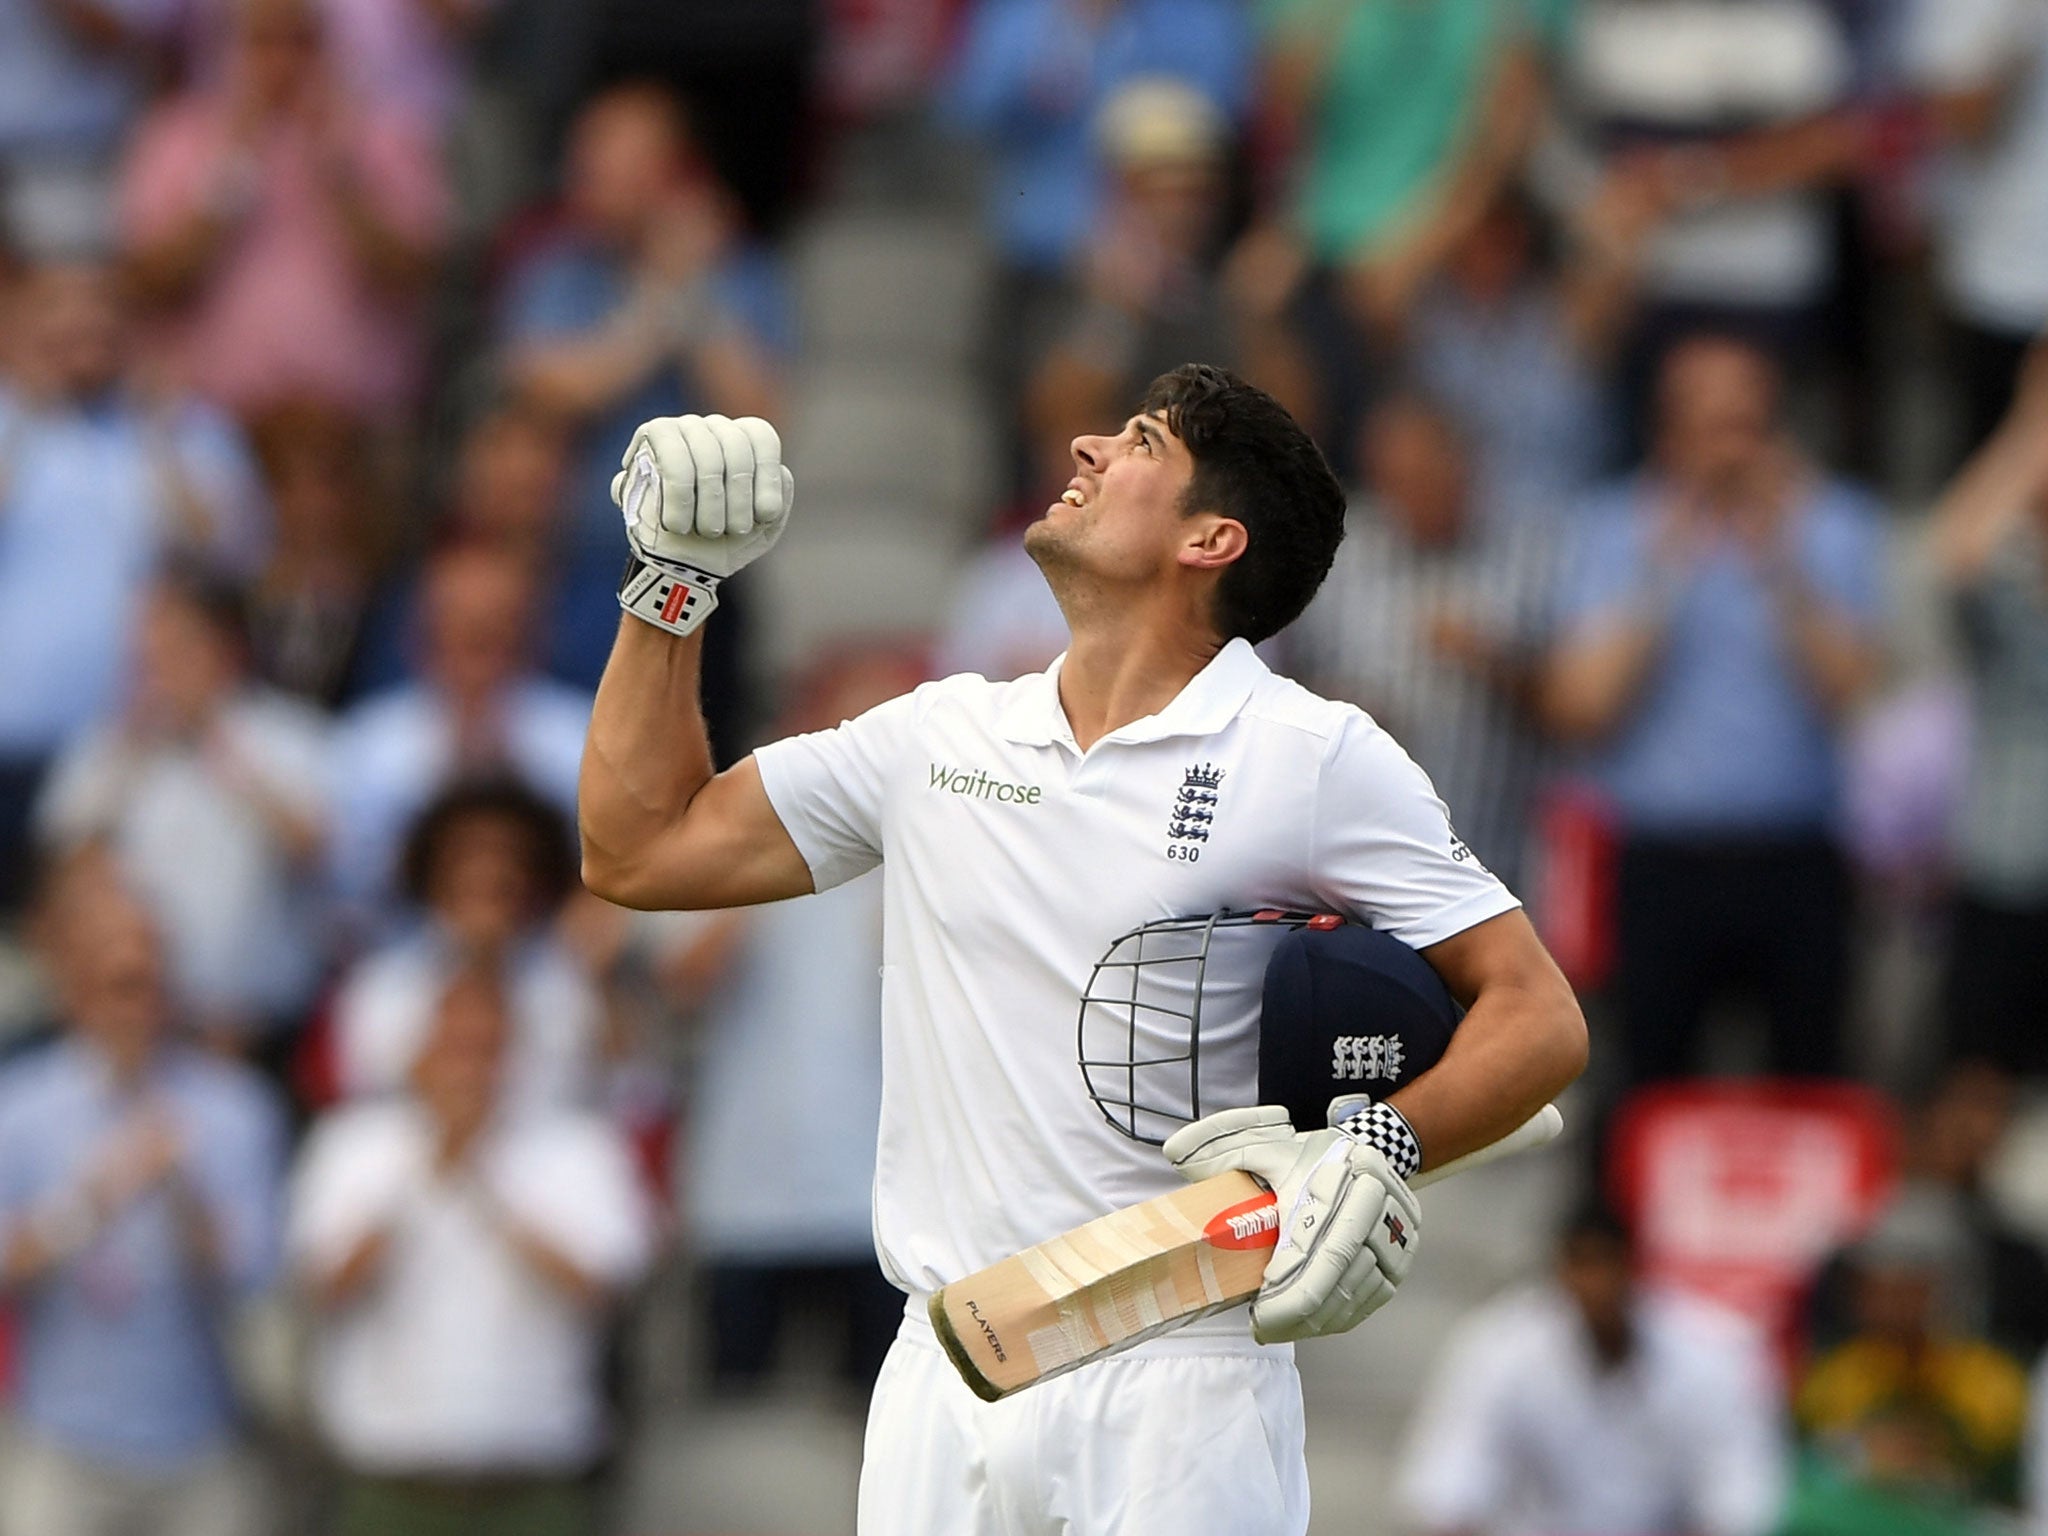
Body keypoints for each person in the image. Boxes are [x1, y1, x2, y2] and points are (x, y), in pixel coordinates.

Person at [577, 369, 1587, 1531]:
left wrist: (1380, 1144)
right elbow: (639, 853)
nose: (1085, 443)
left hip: (1178, 1366)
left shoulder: (1310, 753)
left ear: (1211, 537)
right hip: (944, 1361)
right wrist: (671, 584)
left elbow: (1536, 1012)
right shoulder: (937, 732)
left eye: (1140, 438)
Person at [1542, 334, 1885, 1087]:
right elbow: (1580, 706)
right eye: (1709, 425)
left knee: (1809, 1084)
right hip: (1660, 859)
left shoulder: (1836, 523)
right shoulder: (1610, 527)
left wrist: (1781, 560)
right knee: (1650, 1088)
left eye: (1747, 423)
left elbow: (1855, 692)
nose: (1730, 448)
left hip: (1799, 856)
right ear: (1667, 430)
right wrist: (1666, 563)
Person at [290, 961, 655, 1536]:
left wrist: (485, 1182)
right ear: (420, 1052)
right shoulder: (354, 1145)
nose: (471, 1069)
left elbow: (603, 1292)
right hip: (391, 1487)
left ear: (517, 1058)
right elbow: (326, 1291)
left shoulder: (579, 1149)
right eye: (456, 1047)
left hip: (536, 1489)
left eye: (489, 1049)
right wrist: (424, 1173)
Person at [0, 852, 286, 1536]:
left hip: (198, 1438)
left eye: (148, 984)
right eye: (116, 986)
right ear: (75, 989)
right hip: (61, 1441)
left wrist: (181, 1186)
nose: (135, 1007)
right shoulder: (22, 1105)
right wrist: (92, 1201)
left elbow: (250, 1277)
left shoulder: (234, 1107)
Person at [498, 80, 785, 711]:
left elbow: (759, 411)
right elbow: (549, 391)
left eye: (611, 161)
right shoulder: (556, 270)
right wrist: (662, 298)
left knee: (680, 761)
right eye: (585, 159)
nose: (586, 176)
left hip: (697, 568)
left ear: (673, 172)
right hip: (568, 565)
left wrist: (697, 295)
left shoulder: (739, 273)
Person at [0, 254, 267, 912]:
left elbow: (233, 553)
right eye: (60, 313)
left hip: (128, 751)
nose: (82, 331)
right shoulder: (7, 421)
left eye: (99, 313)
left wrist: (159, 430)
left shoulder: (185, 426)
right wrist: (26, 414)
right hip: (10, 739)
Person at [34, 560, 332, 1044]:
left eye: (179, 646)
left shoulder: (291, 737)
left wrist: (222, 750)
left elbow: (314, 850)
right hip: (135, 1024)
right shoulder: (105, 750)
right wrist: (129, 760)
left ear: (227, 648)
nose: (160, 667)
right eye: (149, 652)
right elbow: (63, 875)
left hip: (258, 1029)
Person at [118, 0, 447, 419]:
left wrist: (339, 171)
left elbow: (415, 276)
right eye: (263, 43)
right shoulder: (176, 138)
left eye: (302, 42)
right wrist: (232, 172)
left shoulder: (388, 136)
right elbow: (150, 283)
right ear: (226, 51)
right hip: (209, 427)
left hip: (356, 427)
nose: (283, 62)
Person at [1288, 391, 1561, 892]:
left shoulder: (1535, 552)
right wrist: (1334, 705)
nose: (1411, 498)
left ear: (1466, 466)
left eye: (1426, 479)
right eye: (1396, 483)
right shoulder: (1341, 556)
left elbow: (1572, 706)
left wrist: (1493, 661)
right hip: (1363, 859)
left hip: (1501, 852)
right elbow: (1282, 686)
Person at [1398, 1205, 1786, 1536]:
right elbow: (1447, 1494)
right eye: (1582, 1265)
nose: (1595, 1286)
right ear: (1559, 1272)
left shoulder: (1716, 1352)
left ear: (1635, 1268)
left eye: (1606, 1264)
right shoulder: (1496, 1348)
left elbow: (1737, 1507)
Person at [327, 542, 590, 926]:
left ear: (531, 639)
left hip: (546, 960)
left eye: (495, 635)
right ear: (421, 640)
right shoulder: (366, 743)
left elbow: (608, 875)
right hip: (401, 956)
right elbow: (344, 885)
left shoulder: (580, 737)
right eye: (461, 634)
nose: (478, 656)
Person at [328, 777, 601, 1115]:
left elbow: (567, 1100)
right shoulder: (380, 988)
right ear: (434, 872)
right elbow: (372, 1098)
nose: (488, 871)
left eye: (509, 858)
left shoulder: (567, 991)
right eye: (468, 856)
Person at [1924, 340, 2048, 1076]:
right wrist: (2034, 415)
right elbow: (1960, 549)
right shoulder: (2007, 598)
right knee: (1977, 1088)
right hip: (2007, 873)